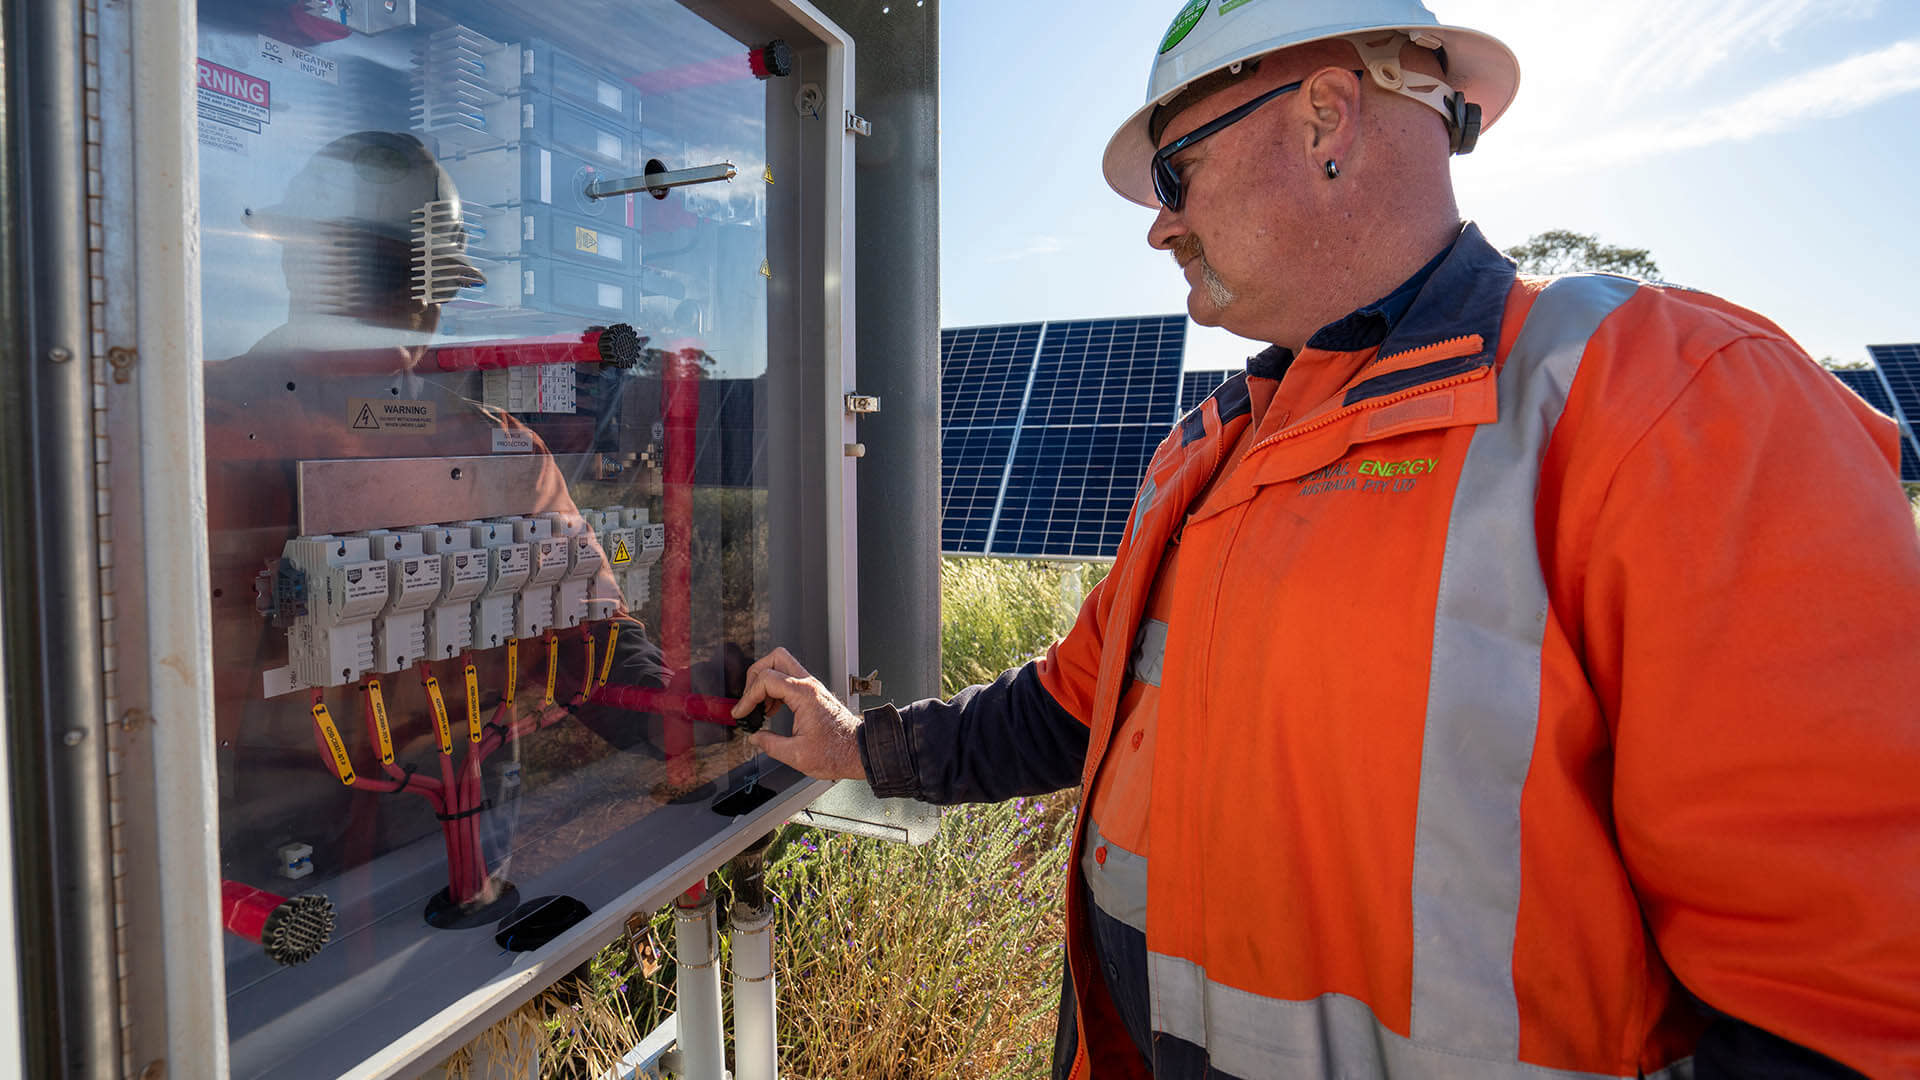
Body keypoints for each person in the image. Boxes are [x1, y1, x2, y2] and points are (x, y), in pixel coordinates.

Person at [733, 2, 1920, 1077]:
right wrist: (861, 749)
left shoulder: (1669, 406)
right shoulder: (1206, 453)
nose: (1160, 228)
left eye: (1172, 173)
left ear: (1322, 121)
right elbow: (1071, 705)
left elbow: (1850, 1013)